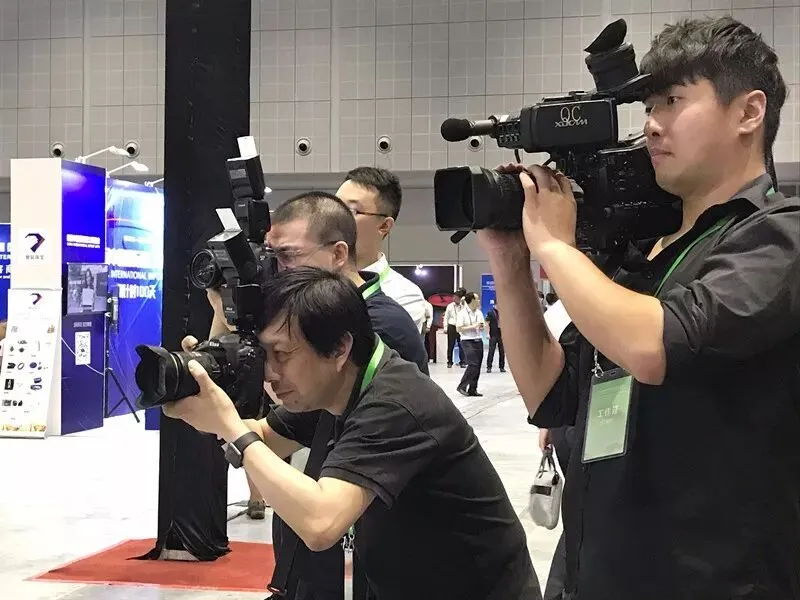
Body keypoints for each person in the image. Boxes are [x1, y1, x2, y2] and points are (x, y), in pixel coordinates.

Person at [478, 16, 800, 599]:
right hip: (597, 568)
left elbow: (656, 347)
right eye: (649, 106)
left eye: (673, 101)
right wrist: (511, 259)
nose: (651, 124)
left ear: (749, 112)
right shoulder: (640, 255)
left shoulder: (777, 237)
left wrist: (554, 246)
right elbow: (549, 392)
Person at [165, 267, 543, 600]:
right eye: (266, 355)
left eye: (283, 354)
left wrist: (230, 426)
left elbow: (321, 523)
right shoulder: (335, 385)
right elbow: (263, 438)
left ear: (339, 348)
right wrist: (205, 380)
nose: (270, 373)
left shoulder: (396, 403)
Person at [336, 167, 426, 330]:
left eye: (350, 211)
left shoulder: (404, 296)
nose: (334, 218)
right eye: (334, 207)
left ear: (384, 226)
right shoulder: (313, 276)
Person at [456, 292, 485, 397]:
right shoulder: (462, 313)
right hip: (467, 340)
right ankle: (462, 386)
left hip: (478, 340)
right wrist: (473, 326)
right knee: (473, 364)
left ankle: (473, 389)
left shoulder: (479, 312)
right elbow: (458, 328)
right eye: (477, 299)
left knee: (478, 366)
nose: (479, 301)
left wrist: (480, 326)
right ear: (472, 300)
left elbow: (482, 326)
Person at [443, 288, 466, 368]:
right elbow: (446, 317)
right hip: (452, 326)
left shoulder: (463, 306)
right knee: (451, 345)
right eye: (454, 297)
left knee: (461, 345)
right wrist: (445, 327)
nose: (455, 298)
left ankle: (462, 361)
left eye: (457, 298)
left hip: (460, 327)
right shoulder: (450, 306)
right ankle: (449, 362)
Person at [485, 302, 504, 373]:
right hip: (493, 334)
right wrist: (487, 333)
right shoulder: (490, 312)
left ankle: (502, 367)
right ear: (495, 305)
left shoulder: (502, 312)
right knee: (491, 351)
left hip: (501, 334)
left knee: (502, 351)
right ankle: (489, 367)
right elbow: (487, 323)